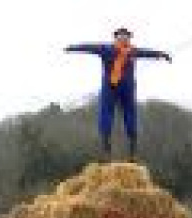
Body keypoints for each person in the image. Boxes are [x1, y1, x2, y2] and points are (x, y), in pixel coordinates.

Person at [65, 27, 171, 158]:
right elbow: (88, 47)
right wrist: (72, 48)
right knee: (105, 115)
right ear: (116, 37)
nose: (123, 37)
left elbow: (148, 53)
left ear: (129, 38)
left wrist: (162, 55)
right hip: (110, 87)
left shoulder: (133, 51)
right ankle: (106, 151)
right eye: (120, 35)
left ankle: (133, 152)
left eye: (126, 36)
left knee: (131, 116)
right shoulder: (106, 49)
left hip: (127, 88)